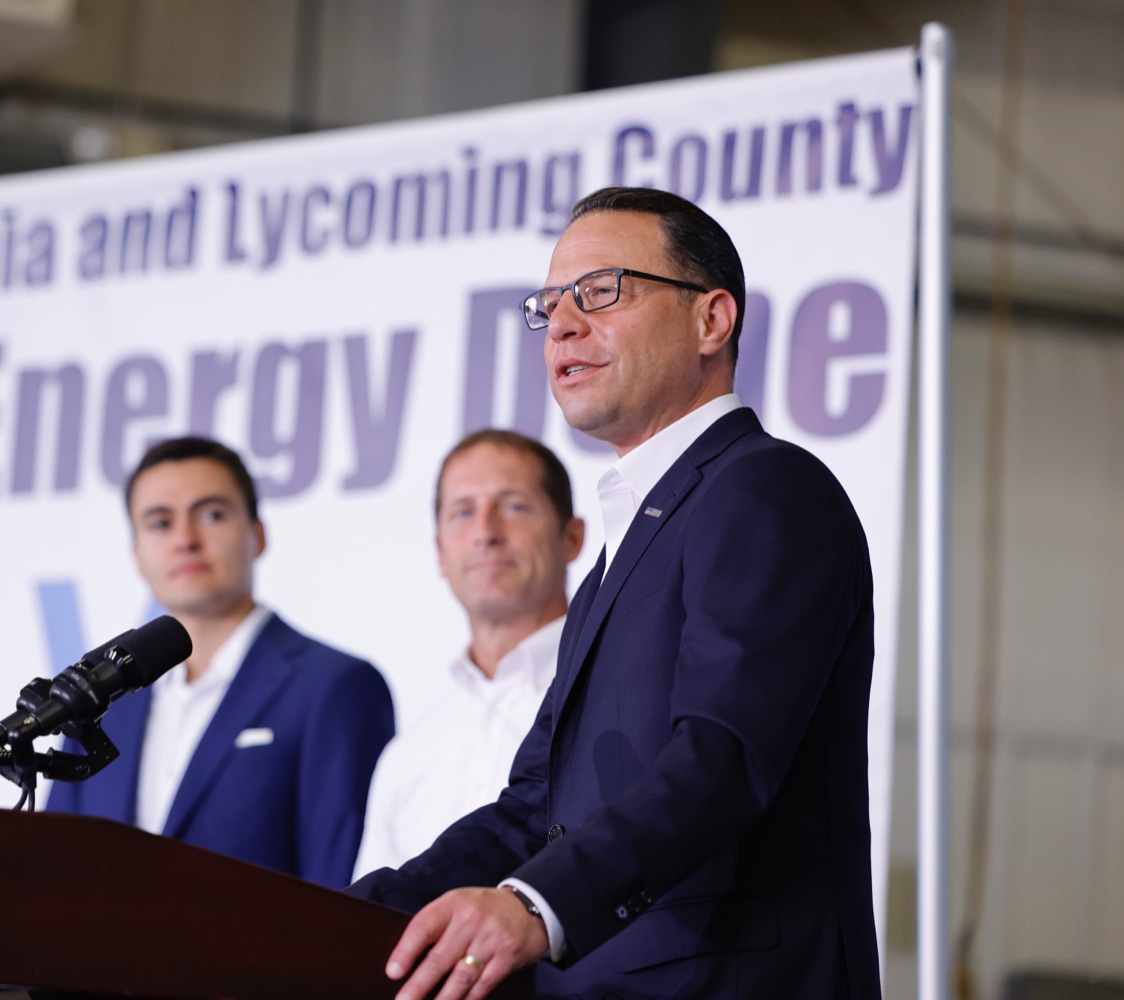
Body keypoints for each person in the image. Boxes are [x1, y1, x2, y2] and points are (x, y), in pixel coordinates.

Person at [347, 187, 880, 1000]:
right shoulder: (615, 558)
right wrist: (348, 917)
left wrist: (535, 902)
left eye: (601, 291)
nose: (561, 324)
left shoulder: (767, 490)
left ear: (712, 320)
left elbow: (723, 756)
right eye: (550, 304)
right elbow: (535, 807)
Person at [47, 435, 395, 889]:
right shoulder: (102, 699)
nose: (186, 540)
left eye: (211, 514)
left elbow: (341, 886)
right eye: (160, 522)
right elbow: (54, 868)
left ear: (258, 534)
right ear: (135, 552)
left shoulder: (335, 687)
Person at [353, 430, 583, 879]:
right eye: (462, 512)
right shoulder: (407, 755)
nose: (485, 534)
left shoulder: (619, 691)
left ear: (571, 537)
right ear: (439, 552)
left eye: (514, 506)